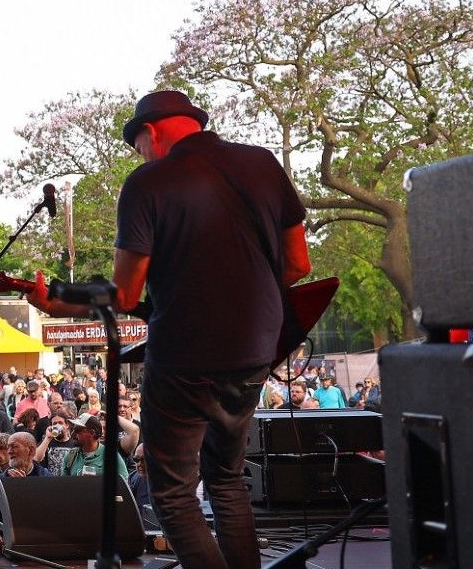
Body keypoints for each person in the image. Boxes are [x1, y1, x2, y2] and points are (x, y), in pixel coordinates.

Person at [28, 89, 309, 569]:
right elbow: (298, 264)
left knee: (174, 493)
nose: (140, 154)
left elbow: (126, 295)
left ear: (152, 133)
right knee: (226, 480)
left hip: (185, 356)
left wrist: (57, 299)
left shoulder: (148, 183)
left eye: (138, 146)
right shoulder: (263, 164)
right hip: (256, 350)